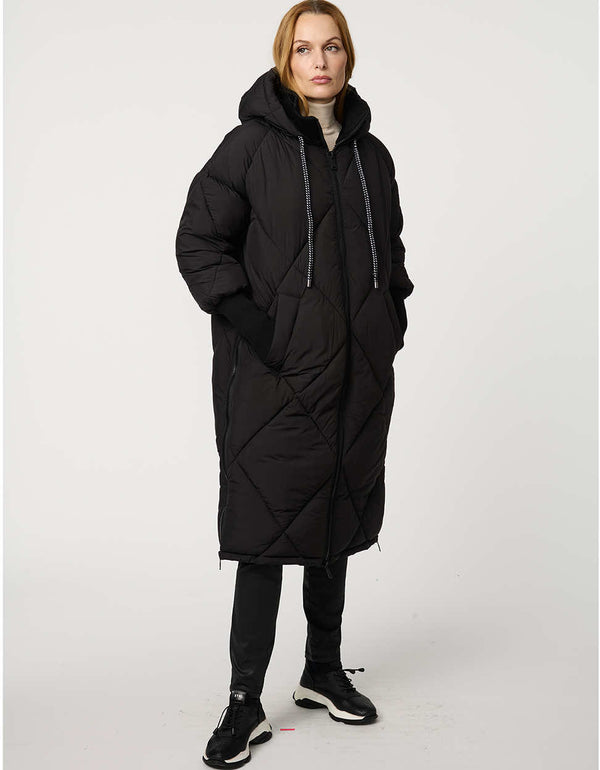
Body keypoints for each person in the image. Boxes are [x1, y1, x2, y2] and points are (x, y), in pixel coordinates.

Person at [175, 2, 414, 766]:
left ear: (348, 57)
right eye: (305, 48)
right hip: (275, 380)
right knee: (266, 532)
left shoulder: (372, 157)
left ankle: (322, 671)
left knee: (334, 520)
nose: (319, 61)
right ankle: (245, 702)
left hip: (355, 380)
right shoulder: (250, 147)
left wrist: (389, 324)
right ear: (286, 58)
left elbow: (392, 258)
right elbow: (198, 240)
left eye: (331, 46)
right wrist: (260, 328)